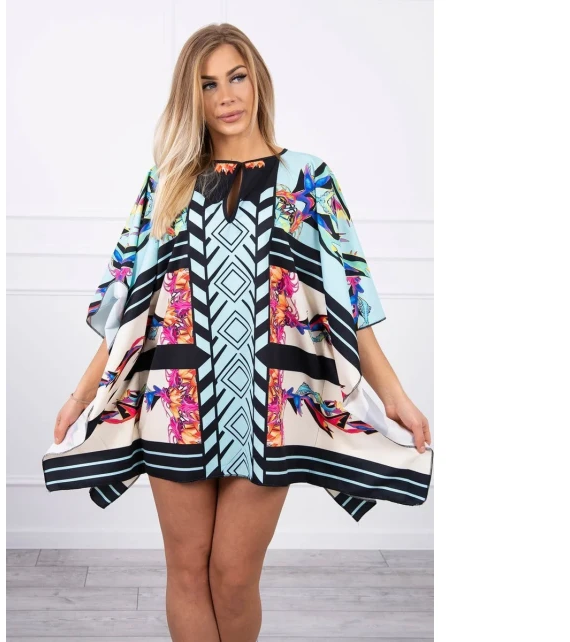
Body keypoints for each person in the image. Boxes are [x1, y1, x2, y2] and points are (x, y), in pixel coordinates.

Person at [43, 23, 433, 642]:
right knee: (187, 570)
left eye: (236, 77)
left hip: (272, 406)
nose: (225, 96)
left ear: (257, 81)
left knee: (231, 573)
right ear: (191, 98)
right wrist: (80, 395)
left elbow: (349, 301)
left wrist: (395, 396)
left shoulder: (307, 179)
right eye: (207, 85)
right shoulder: (167, 183)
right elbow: (126, 307)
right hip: (174, 400)